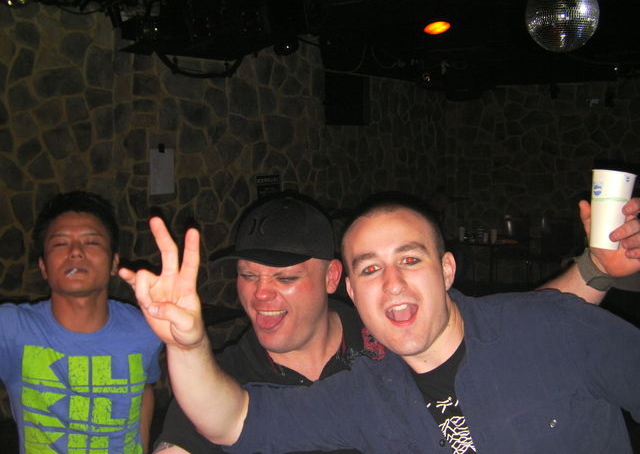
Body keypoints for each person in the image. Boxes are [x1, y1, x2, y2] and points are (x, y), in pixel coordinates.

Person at [120, 195, 640, 453]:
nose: (391, 284)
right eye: (370, 269)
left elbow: (541, 326)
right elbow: (230, 419)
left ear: (446, 270)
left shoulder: (554, 328)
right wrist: (186, 344)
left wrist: (595, 269)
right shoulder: (367, 393)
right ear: (351, 287)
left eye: (410, 260)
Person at [152, 195, 371, 454]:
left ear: (331, 277)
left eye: (286, 278)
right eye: (248, 275)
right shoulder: (215, 381)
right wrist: (185, 348)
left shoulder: (384, 347)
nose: (261, 293)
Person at [0, 191, 163, 454]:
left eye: (91, 242)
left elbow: (143, 388)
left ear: (114, 263)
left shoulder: (145, 328)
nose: (76, 252)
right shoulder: (11, 329)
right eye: (60, 243)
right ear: (43, 266)